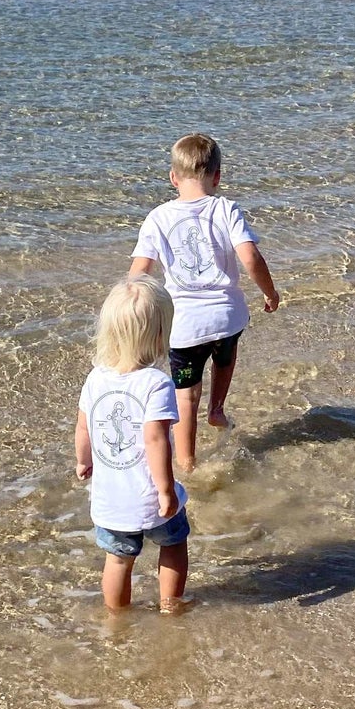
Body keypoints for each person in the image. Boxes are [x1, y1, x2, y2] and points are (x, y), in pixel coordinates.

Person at [128, 133, 280, 472]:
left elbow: (139, 273)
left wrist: (132, 317)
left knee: (185, 397)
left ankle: (187, 464)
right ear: (217, 176)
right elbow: (251, 257)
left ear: (173, 177)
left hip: (184, 327)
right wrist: (270, 292)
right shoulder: (225, 209)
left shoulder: (158, 217)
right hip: (226, 319)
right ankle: (217, 410)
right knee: (225, 357)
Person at [75, 276, 190, 613]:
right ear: (160, 334)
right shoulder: (156, 383)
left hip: (110, 500)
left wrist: (83, 460)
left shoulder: (96, 377)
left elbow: (83, 426)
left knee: (117, 559)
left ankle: (117, 618)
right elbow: (155, 439)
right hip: (147, 495)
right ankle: (169, 606)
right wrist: (166, 490)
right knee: (173, 544)